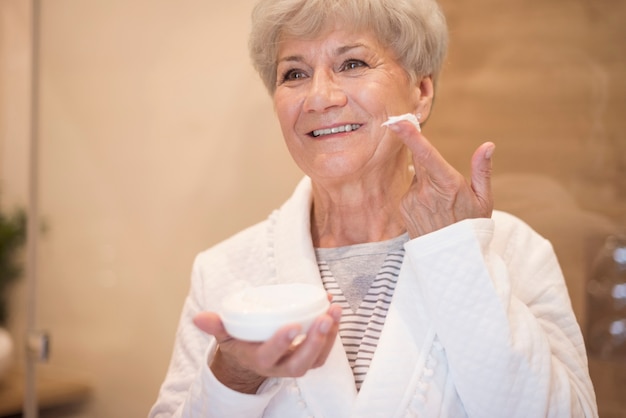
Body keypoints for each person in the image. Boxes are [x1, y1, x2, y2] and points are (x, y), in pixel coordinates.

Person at [149, 0, 598, 416]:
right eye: (294, 74)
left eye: (353, 63)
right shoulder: (224, 271)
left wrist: (457, 258)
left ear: (421, 92)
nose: (320, 97)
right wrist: (233, 375)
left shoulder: (513, 249)